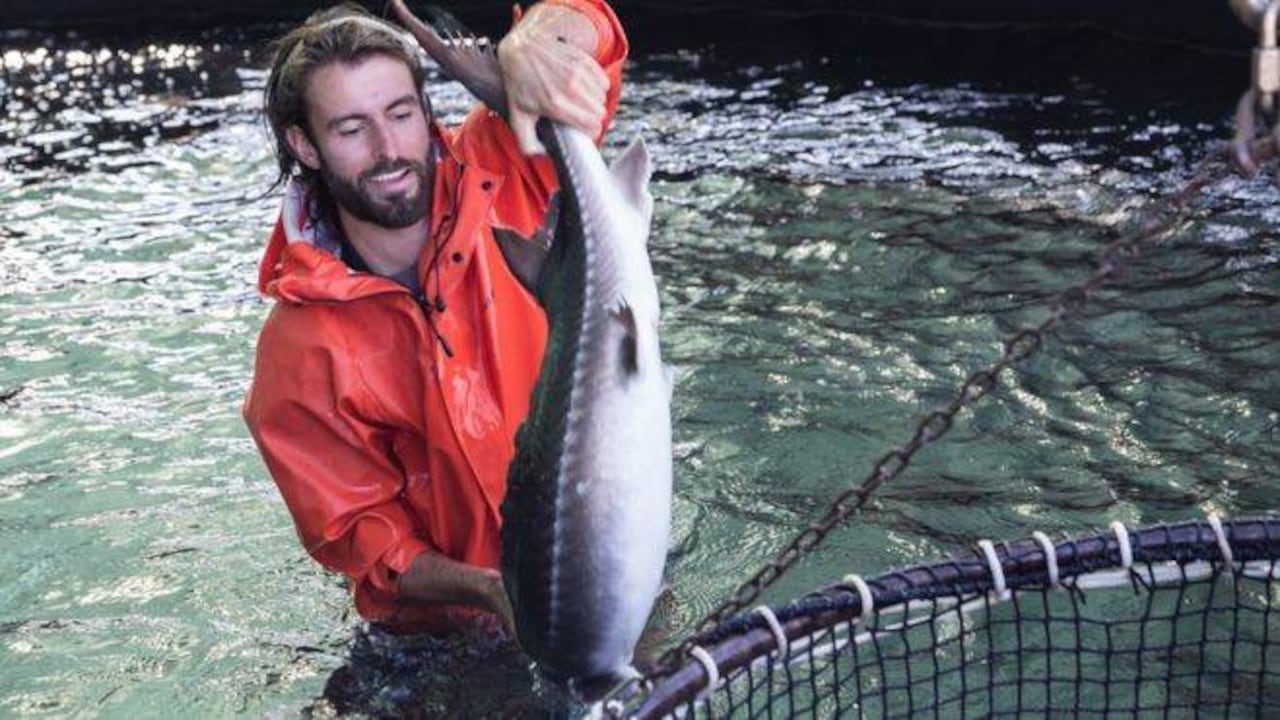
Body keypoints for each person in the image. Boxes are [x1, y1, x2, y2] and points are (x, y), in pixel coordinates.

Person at [243, 0, 628, 634]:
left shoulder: (506, 163)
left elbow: (601, 38)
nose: (389, 149)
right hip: (443, 638)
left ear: (426, 111)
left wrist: (538, 35)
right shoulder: (297, 352)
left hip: (603, 566)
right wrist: (491, 590)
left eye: (401, 114)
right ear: (303, 145)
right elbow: (364, 540)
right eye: (350, 129)